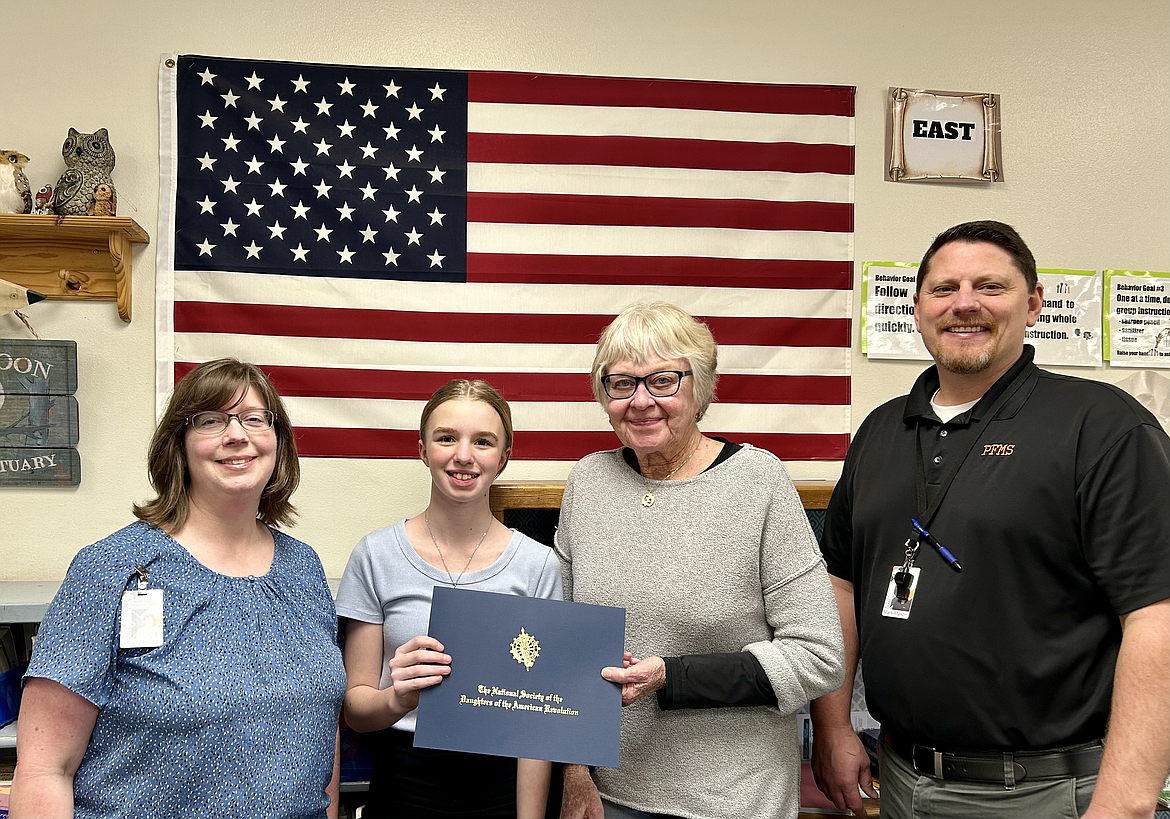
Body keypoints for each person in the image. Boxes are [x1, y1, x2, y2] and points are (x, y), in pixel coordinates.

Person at [811, 220, 1170, 819]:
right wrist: (834, 728)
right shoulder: (880, 431)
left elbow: (1157, 612)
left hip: (1047, 792)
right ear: (918, 307)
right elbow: (841, 584)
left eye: (990, 287)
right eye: (944, 288)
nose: (965, 304)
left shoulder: (1101, 426)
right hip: (900, 779)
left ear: (1033, 305)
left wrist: (1125, 803)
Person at [10, 358, 345, 819]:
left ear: (278, 441)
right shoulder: (111, 568)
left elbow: (319, 732)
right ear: (179, 444)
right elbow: (46, 769)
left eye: (255, 418)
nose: (237, 435)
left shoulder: (302, 568)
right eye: (211, 420)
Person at [555, 302, 846, 819]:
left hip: (734, 799)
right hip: (611, 795)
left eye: (663, 381)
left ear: (701, 387)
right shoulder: (588, 483)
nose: (641, 401)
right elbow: (566, 645)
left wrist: (671, 676)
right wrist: (576, 775)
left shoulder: (759, 483)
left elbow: (818, 657)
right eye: (621, 383)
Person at [336, 379, 562, 819]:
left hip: (504, 785)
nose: (464, 455)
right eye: (446, 438)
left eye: (483, 441)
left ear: (504, 457)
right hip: (405, 781)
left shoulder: (539, 565)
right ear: (422, 450)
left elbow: (538, 722)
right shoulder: (375, 556)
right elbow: (356, 707)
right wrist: (397, 698)